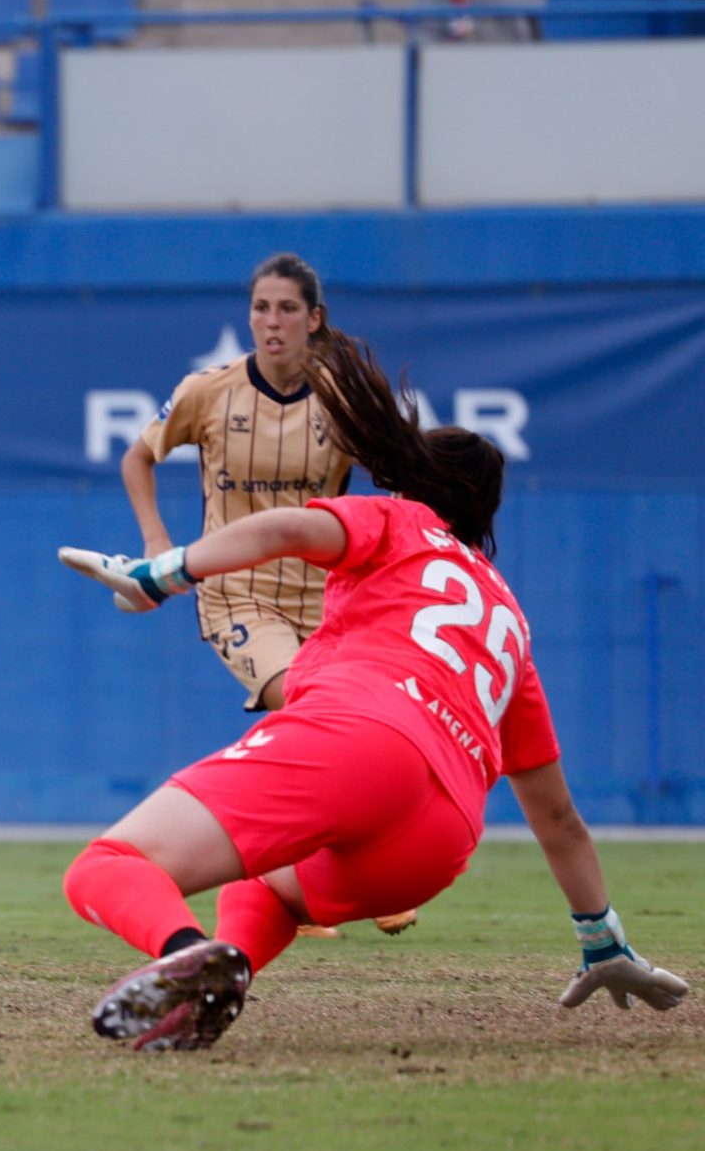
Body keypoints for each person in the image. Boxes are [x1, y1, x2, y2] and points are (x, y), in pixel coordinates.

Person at [56, 333, 688, 1051]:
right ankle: (220, 978)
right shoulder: (509, 621)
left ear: (416, 484)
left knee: (106, 868)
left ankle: (180, 948)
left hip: (363, 737)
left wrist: (163, 573)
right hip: (439, 840)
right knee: (266, 886)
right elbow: (559, 819)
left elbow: (290, 527)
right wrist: (602, 941)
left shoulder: (400, 521)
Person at [119, 254, 412, 938]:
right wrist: (160, 545)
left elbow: (400, 473)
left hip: (331, 602)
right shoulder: (209, 391)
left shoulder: (342, 399)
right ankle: (322, 876)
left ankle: (299, 875)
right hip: (237, 593)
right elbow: (138, 457)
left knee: (360, 729)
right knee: (313, 708)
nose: (270, 322)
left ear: (314, 320)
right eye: (260, 308)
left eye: (286, 309)